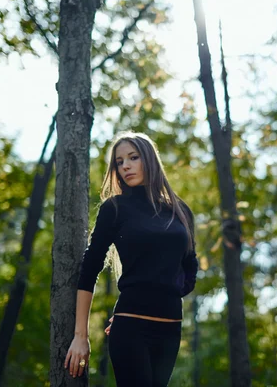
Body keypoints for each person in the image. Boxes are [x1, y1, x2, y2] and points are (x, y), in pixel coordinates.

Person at [64, 131, 199, 386]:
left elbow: (189, 270)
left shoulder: (180, 212)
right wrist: (81, 335)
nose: (125, 166)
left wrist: (155, 297)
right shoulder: (114, 208)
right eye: (119, 161)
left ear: (149, 159)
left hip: (170, 327)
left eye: (133, 157)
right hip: (131, 327)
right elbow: (90, 268)